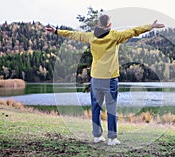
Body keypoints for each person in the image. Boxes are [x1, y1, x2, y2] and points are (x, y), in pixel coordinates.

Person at [46, 14, 165, 145]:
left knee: (95, 107)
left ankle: (97, 136)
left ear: (98, 24)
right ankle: (112, 138)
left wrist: (56, 31)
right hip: (110, 79)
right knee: (111, 108)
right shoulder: (115, 36)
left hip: (96, 78)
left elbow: (73, 34)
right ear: (110, 25)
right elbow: (134, 31)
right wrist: (151, 26)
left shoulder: (90, 36)